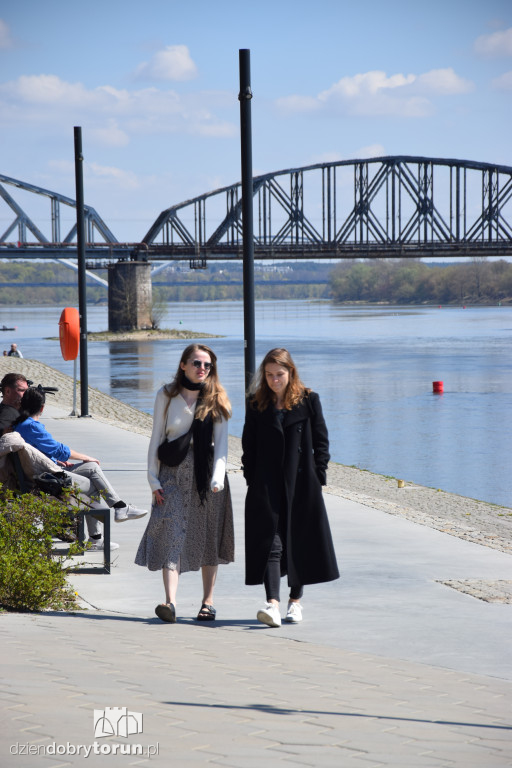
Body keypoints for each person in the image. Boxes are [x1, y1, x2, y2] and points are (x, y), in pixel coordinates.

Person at [135, 343, 234, 624]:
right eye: (196, 363)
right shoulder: (166, 395)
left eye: (207, 365)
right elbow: (156, 438)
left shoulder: (217, 398)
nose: (202, 368)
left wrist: (217, 478)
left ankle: (207, 603)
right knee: (171, 531)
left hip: (207, 476)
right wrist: (152, 479)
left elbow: (222, 446)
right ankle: (170, 602)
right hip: (173, 472)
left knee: (207, 537)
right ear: (183, 365)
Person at [242, 347, 339, 628]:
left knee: (300, 540)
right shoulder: (256, 404)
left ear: (291, 372)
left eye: (279, 374)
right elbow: (249, 445)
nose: (274, 380)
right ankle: (272, 604)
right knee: (270, 543)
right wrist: (251, 477)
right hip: (266, 484)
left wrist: (318, 476)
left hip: (301, 483)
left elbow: (321, 442)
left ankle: (295, 601)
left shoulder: (309, 400)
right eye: (269, 375)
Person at [13, 387, 148, 551]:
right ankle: (100, 533)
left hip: (43, 473)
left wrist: (57, 461)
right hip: (47, 480)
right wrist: (85, 456)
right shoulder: (32, 427)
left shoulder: (20, 425)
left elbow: (38, 452)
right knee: (94, 483)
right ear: (42, 408)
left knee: (92, 468)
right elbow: (59, 449)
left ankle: (118, 510)